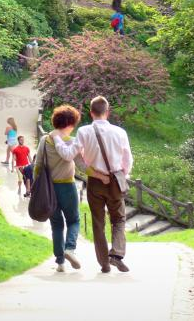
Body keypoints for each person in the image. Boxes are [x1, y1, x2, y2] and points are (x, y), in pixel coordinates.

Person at [50, 96, 133, 273]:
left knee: (98, 222)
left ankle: (104, 263)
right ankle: (116, 254)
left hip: (95, 181)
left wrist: (57, 138)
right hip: (116, 180)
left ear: (91, 113)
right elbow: (128, 160)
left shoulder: (84, 132)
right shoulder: (120, 132)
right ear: (107, 112)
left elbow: (69, 155)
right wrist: (121, 175)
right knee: (118, 219)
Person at [34, 105, 86, 273]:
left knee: (56, 224)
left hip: (49, 190)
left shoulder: (45, 140)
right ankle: (70, 248)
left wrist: (36, 186)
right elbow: (81, 165)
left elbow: (38, 165)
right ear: (70, 123)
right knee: (74, 220)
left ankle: (60, 262)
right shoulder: (72, 141)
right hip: (68, 186)